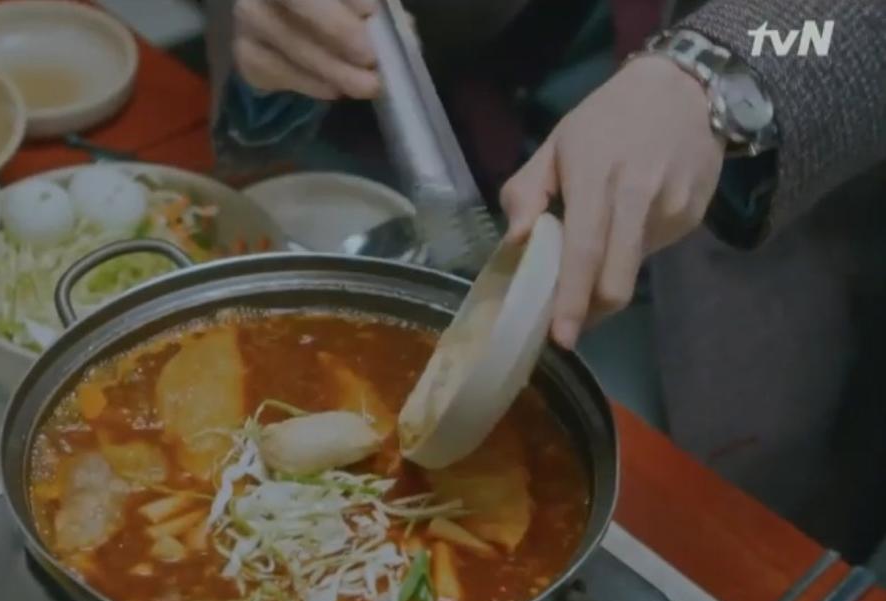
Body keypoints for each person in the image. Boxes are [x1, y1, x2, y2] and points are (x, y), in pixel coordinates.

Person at [204, 0, 886, 562]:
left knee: (707, 552)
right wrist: (281, 33)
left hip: (728, 287)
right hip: (390, 188)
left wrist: (721, 71)